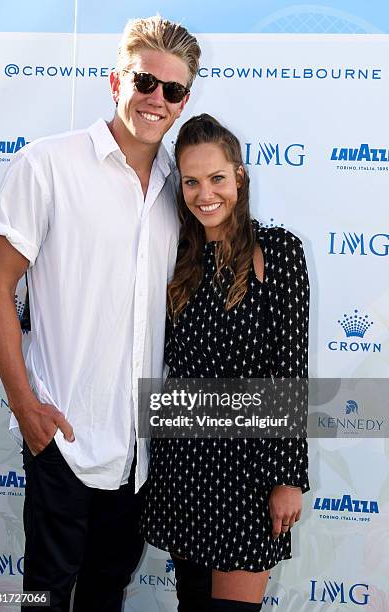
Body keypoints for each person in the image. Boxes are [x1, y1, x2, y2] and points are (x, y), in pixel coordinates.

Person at [0, 16, 200, 612]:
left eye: (173, 90)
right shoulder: (47, 164)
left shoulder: (179, 193)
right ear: (115, 81)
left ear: (185, 102)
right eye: (145, 81)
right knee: (42, 600)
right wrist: (26, 409)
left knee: (106, 596)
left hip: (138, 452)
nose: (157, 98)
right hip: (63, 438)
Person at [142, 114, 310, 612]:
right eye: (191, 181)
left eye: (216, 178)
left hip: (252, 473)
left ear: (239, 175)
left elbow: (290, 371)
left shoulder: (278, 253)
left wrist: (288, 477)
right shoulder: (174, 258)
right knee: (192, 604)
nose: (204, 193)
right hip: (185, 468)